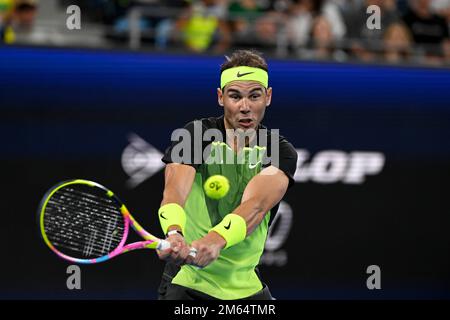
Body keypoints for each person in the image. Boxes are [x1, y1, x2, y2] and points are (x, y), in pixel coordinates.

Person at [156, 49, 298, 300]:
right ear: (221, 98)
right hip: (188, 284)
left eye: (254, 96)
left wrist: (216, 239)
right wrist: (174, 231)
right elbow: (174, 191)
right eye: (235, 96)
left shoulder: (279, 150)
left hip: (247, 289)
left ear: (268, 97)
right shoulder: (195, 134)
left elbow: (256, 206)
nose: (245, 107)